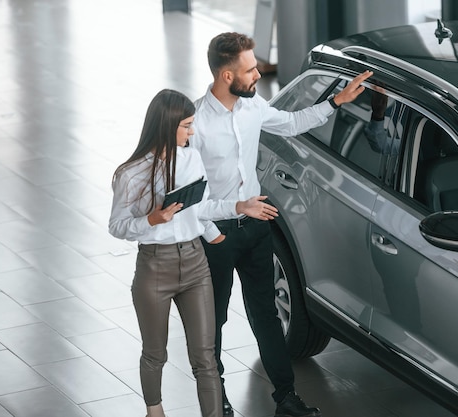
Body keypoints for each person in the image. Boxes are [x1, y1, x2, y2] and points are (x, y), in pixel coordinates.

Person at [190, 32, 372, 417]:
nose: (258, 74)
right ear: (226, 76)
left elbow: (290, 123)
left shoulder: (252, 108)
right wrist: (216, 231)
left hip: (256, 229)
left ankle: (285, 399)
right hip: (216, 235)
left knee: (266, 317)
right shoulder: (197, 125)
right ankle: (215, 398)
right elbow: (190, 200)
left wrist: (336, 101)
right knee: (214, 321)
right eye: (250, 69)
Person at [108, 89, 278, 417]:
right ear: (166, 126)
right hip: (155, 266)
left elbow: (202, 208)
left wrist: (238, 207)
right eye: (186, 126)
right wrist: (151, 220)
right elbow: (117, 226)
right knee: (155, 353)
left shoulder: (192, 159)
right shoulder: (130, 174)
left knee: (205, 357)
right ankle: (154, 411)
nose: (192, 132)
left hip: (196, 263)